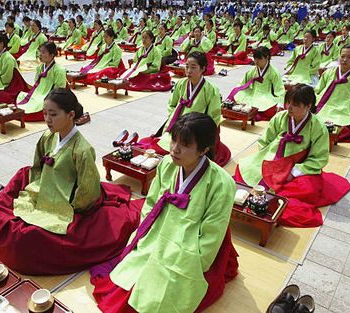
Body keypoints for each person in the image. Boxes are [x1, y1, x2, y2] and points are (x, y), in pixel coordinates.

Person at [90, 112, 239, 313]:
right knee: (130, 281)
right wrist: (145, 235)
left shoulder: (222, 183)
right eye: (174, 140)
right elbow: (150, 204)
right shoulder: (167, 165)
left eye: (184, 145)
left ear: (204, 149)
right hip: (159, 230)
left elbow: (212, 233)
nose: (174, 149)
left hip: (189, 244)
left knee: (162, 294)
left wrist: (193, 263)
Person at [0, 88, 140, 274]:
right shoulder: (47, 137)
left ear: (71, 115)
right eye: (45, 114)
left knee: (27, 239)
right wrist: (36, 190)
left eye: (53, 114)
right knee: (13, 228)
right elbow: (37, 168)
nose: (47, 119)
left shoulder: (82, 150)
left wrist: (73, 208)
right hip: (44, 191)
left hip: (69, 202)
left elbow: (88, 189)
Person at [235, 84, 350, 227]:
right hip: (272, 160)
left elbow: (319, 158)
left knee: (307, 189)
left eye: (295, 105)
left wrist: (294, 172)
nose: (289, 107)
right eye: (288, 102)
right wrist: (269, 160)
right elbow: (265, 141)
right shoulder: (280, 117)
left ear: (309, 106)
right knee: (245, 170)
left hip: (298, 167)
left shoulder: (318, 126)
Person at [137, 52, 231, 167]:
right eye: (186, 66)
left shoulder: (211, 90)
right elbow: (172, 105)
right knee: (159, 148)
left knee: (176, 153)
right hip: (177, 126)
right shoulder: (180, 84)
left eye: (193, 67)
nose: (188, 71)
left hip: (196, 130)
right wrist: (176, 120)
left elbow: (214, 117)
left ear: (203, 69)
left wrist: (198, 131)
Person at [315, 44, 350, 142]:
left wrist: (348, 110)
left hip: (342, 108)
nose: (345, 60)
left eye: (349, 57)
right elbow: (318, 90)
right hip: (323, 104)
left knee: (339, 130)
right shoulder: (328, 72)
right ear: (338, 56)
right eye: (342, 56)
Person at [227, 46, 285, 121]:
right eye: (255, 59)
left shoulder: (274, 72)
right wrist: (237, 91)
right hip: (252, 93)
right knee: (235, 94)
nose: (256, 61)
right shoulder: (252, 71)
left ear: (267, 57)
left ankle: (252, 113)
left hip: (265, 96)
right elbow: (242, 84)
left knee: (272, 110)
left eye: (259, 59)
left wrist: (280, 104)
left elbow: (280, 89)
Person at [16, 42, 67, 121]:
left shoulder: (59, 70)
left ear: (52, 55)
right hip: (38, 93)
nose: (40, 54)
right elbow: (36, 83)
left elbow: (59, 89)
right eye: (40, 52)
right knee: (21, 97)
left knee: (38, 106)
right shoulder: (40, 67)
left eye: (43, 52)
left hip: (51, 95)